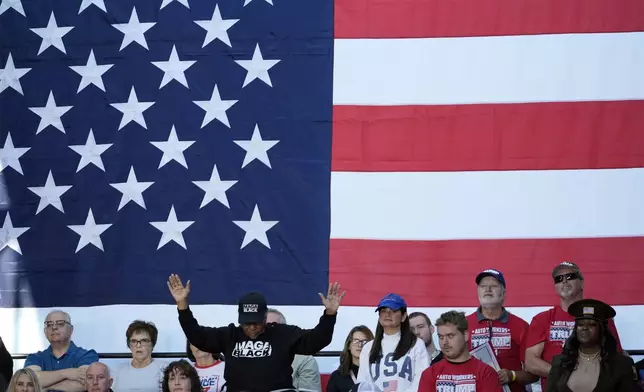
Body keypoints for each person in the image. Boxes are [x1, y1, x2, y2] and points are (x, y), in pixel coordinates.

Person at [167, 273, 344, 392]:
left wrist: (330, 315)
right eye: (246, 323)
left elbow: (316, 340)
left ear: (266, 317)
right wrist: (182, 306)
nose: (252, 327)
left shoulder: (282, 334)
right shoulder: (230, 335)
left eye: (257, 323)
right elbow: (198, 336)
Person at [524, 262, 625, 390]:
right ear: (555, 286)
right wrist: (565, 375)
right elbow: (531, 362)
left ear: (582, 283)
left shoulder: (602, 315)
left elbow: (616, 356)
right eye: (559, 279)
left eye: (570, 276)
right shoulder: (542, 319)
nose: (564, 281)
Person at [465, 269, 538, 391]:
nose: (487, 290)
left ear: (503, 293)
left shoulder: (521, 326)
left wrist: (512, 375)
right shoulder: (463, 325)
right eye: (483, 286)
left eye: (493, 286)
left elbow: (534, 374)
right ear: (478, 291)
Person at [545, 299, 638, 392]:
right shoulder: (560, 363)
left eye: (592, 325)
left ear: (602, 330)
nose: (584, 328)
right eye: (580, 324)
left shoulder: (622, 365)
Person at [356, 293, 430, 392]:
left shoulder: (416, 344)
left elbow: (422, 381)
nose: (387, 314)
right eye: (383, 311)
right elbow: (363, 384)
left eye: (393, 311)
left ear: (403, 316)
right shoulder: (368, 348)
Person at [417, 311, 502, 392]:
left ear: (465, 335)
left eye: (450, 336)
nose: (444, 342)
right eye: (441, 337)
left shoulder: (486, 373)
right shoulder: (429, 374)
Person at [24, 310, 99, 392]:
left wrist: (45, 386)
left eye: (60, 323)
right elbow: (29, 381)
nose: (54, 327)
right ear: (45, 332)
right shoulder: (34, 358)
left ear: (71, 330)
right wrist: (67, 373)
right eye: (49, 324)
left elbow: (85, 384)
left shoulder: (86, 355)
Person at [267, 308, 321, 392]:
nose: (268, 332)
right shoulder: (246, 357)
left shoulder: (305, 360)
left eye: (273, 327)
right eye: (264, 327)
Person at [112, 320, 167, 392]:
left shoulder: (164, 368)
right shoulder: (117, 370)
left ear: (152, 344)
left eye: (144, 341)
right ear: (129, 345)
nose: (138, 345)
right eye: (134, 341)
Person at [326, 326, 374, 392]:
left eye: (365, 342)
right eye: (355, 341)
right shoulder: (337, 376)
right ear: (349, 345)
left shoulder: (377, 372)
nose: (360, 345)